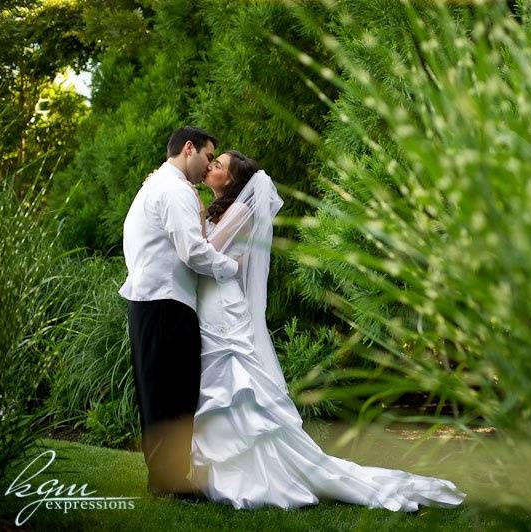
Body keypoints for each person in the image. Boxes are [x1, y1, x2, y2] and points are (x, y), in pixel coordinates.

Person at [191, 150, 467, 511]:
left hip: (224, 308)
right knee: (221, 389)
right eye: (212, 163)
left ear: (232, 180)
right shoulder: (222, 210)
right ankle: (220, 469)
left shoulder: (241, 211)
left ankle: (256, 476)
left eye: (218, 165)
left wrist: (194, 212)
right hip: (212, 300)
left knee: (235, 389)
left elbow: (206, 249)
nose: (211, 167)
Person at [119, 126, 240, 498]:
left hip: (150, 298)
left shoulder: (156, 186)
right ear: (189, 149)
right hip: (165, 302)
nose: (207, 168)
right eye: (206, 156)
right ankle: (170, 482)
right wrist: (231, 268)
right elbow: (192, 251)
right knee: (172, 390)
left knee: (160, 388)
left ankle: (165, 479)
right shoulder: (173, 189)